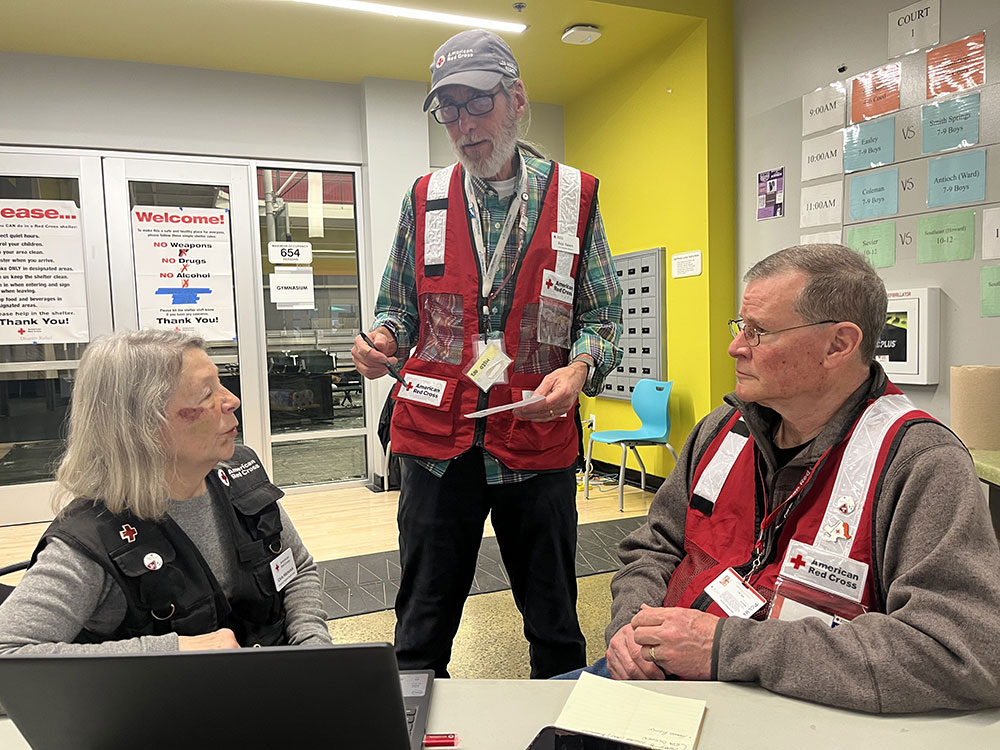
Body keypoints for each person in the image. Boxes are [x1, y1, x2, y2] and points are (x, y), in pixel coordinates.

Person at [593, 243, 1000, 713]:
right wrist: (631, 628)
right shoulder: (720, 431)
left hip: (794, 713)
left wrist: (728, 648)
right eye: (741, 326)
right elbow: (655, 546)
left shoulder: (920, 463)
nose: (736, 346)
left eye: (759, 332)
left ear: (838, 345)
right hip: (660, 687)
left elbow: (963, 653)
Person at [352, 29, 622, 678]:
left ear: (517, 99)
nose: (463, 125)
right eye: (448, 109)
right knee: (420, 623)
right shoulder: (425, 200)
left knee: (555, 622)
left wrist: (579, 368)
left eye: (477, 103)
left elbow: (604, 319)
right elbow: (396, 306)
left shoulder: (574, 198)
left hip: (535, 438)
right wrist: (383, 339)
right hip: (435, 445)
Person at [0, 330, 332, 653]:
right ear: (143, 425)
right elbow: (8, 651)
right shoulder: (91, 542)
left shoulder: (240, 474)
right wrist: (172, 650)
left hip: (272, 687)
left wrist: (313, 648)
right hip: (166, 706)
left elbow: (297, 569)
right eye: (206, 394)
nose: (233, 400)